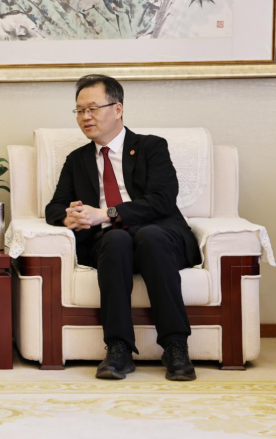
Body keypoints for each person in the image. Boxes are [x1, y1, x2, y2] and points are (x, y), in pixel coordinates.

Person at [45, 74, 200, 381]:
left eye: (92, 108)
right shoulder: (77, 160)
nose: (85, 117)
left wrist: (107, 213)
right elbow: (55, 206)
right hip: (111, 244)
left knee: (149, 235)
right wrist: (68, 217)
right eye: (79, 110)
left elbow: (163, 200)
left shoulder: (151, 147)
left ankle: (176, 347)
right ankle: (118, 348)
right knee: (116, 240)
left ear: (117, 109)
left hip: (160, 235)